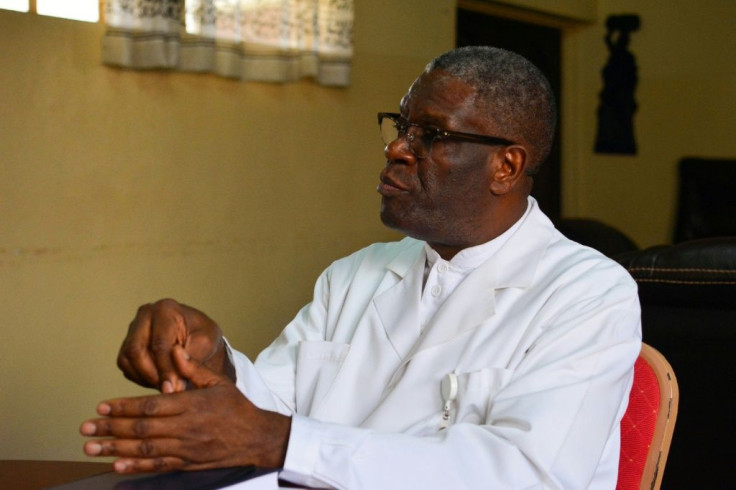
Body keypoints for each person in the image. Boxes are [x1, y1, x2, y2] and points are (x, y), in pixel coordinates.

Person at [80, 46, 641, 489]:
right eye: (401, 127)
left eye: (432, 136)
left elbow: (529, 477)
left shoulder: (586, 294)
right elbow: (267, 414)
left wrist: (284, 444)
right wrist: (215, 361)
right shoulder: (356, 275)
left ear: (507, 165)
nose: (398, 149)